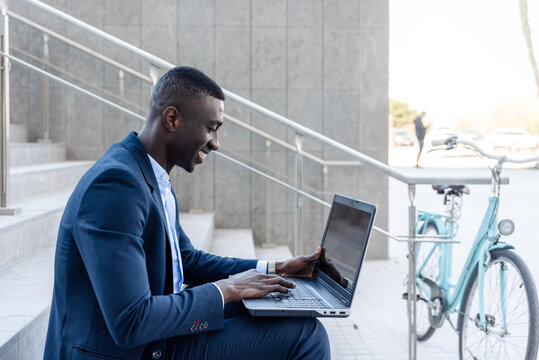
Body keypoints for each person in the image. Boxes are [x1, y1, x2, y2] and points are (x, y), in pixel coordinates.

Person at [44, 67, 331, 360]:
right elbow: (131, 321)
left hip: (153, 337)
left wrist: (275, 269)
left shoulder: (148, 175)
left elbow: (187, 260)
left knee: (283, 315)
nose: (216, 143)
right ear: (172, 119)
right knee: (305, 335)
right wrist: (227, 289)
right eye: (211, 127)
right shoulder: (116, 187)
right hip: (130, 350)